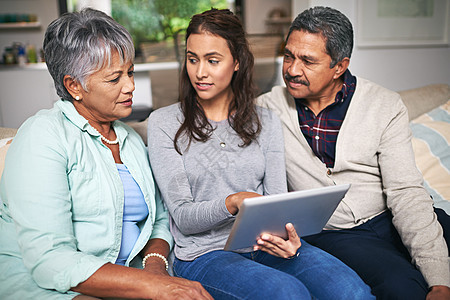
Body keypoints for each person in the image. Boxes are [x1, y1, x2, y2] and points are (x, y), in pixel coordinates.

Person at [148, 8, 373, 300]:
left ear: (237, 62)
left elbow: (277, 203)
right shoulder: (165, 123)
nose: (200, 72)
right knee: (287, 293)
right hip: (203, 255)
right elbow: (183, 217)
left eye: (213, 60)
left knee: (353, 291)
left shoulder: (266, 121)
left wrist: (290, 239)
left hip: (265, 244)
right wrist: (233, 201)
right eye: (193, 59)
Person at [0, 8, 212, 300]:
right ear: (74, 85)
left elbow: (160, 220)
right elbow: (50, 260)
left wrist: (155, 271)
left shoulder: (130, 140)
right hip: (48, 286)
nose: (131, 86)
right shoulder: (42, 136)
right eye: (115, 79)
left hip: (130, 279)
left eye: (130, 72)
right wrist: (150, 286)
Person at [257, 6, 450, 300]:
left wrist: (440, 281)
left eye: (308, 61)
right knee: (402, 286)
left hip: (392, 214)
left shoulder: (384, 105)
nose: (292, 70)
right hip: (337, 233)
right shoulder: (267, 109)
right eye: (289, 55)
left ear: (340, 66)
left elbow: (405, 191)